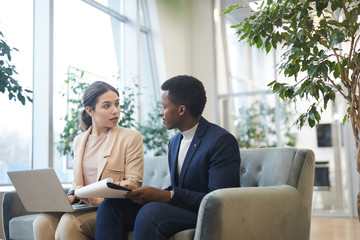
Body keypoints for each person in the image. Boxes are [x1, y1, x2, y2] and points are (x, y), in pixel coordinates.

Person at [95, 75, 241, 240]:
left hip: (203, 213)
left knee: (151, 213)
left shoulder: (220, 141)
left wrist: (167, 196)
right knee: (111, 206)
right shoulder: (175, 141)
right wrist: (148, 194)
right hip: (180, 207)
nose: (160, 112)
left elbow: (218, 200)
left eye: (164, 107)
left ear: (181, 109)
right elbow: (180, 187)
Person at [33, 81, 144, 240]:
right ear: (90, 110)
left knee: (69, 223)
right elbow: (77, 181)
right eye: (107, 106)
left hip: (111, 208)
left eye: (117, 104)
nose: (115, 111)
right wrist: (72, 194)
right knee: (42, 222)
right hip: (84, 206)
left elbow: (134, 183)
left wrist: (100, 195)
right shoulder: (79, 140)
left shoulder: (131, 138)